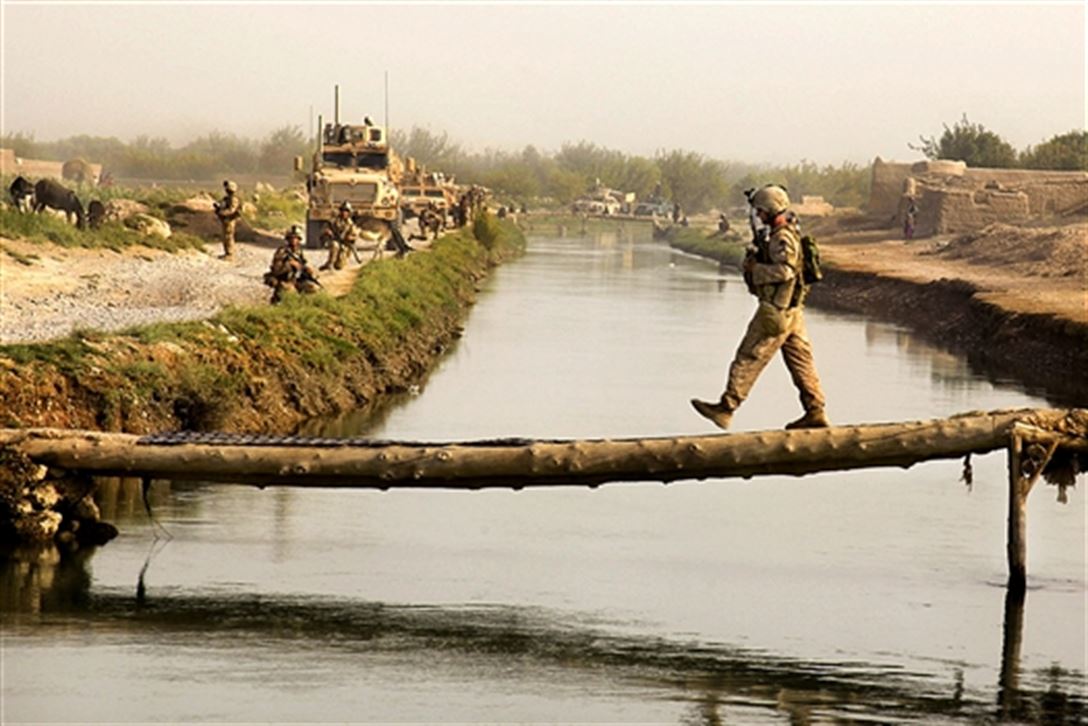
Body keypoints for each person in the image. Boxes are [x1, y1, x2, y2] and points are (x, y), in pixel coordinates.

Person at [691, 184, 829, 431]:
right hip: (792, 313)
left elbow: (785, 271)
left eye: (761, 210)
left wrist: (756, 269)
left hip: (776, 311)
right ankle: (815, 410)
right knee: (801, 362)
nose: (758, 214)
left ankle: (726, 408)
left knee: (749, 355)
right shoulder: (784, 233)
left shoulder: (782, 237)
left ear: (770, 209)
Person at [264, 225, 320, 303]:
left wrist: (306, 269)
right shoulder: (282, 251)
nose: (294, 240)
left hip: (297, 280)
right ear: (288, 239)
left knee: (314, 288)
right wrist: (289, 264)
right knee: (290, 294)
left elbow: (302, 265)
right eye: (292, 238)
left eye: (296, 238)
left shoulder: (299, 251)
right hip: (286, 281)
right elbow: (276, 270)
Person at [320, 202, 361, 270]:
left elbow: (355, 236)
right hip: (335, 240)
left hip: (344, 245)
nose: (344, 213)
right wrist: (327, 232)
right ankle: (330, 264)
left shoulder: (350, 224)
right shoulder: (334, 220)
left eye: (346, 211)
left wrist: (350, 238)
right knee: (335, 245)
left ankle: (333, 263)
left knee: (339, 266)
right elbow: (325, 228)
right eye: (343, 211)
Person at [214, 180, 242, 259]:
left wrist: (222, 212)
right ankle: (227, 253)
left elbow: (231, 210)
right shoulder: (227, 198)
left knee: (228, 237)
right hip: (226, 220)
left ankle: (230, 254)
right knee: (225, 236)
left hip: (230, 220)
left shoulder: (233, 199)